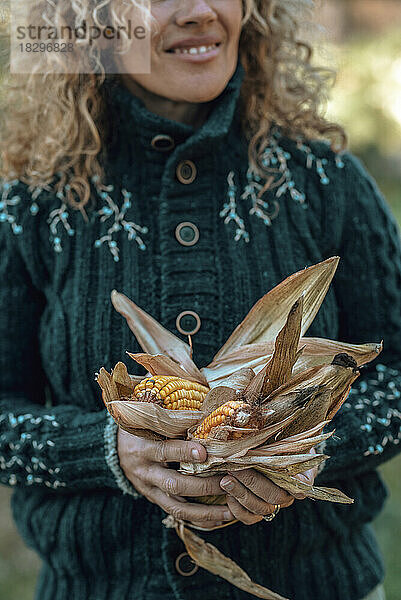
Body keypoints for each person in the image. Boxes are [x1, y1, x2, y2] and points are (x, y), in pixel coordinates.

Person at [0, 1, 400, 599]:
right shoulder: (33, 206)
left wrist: (303, 448)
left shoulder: (323, 181)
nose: (199, 11)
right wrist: (108, 451)